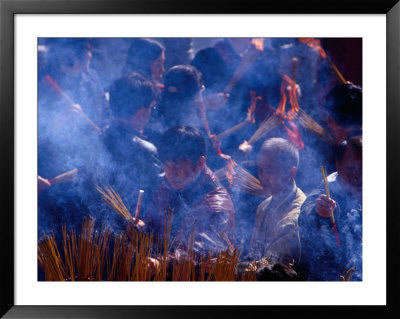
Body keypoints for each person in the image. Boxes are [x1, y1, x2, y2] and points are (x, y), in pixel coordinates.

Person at [140, 126, 235, 255]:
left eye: (177, 166)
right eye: (166, 166)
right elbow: (153, 223)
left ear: (200, 163)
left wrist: (160, 264)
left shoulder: (217, 206)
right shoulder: (169, 183)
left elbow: (199, 254)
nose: (171, 173)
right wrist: (142, 229)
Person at [298, 135, 362, 281]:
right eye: (351, 168)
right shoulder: (326, 191)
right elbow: (307, 210)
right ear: (338, 165)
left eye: (363, 168)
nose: (357, 175)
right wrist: (319, 212)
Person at [98, 73, 163, 215]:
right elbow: (161, 193)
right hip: (133, 226)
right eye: (150, 107)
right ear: (141, 112)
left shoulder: (97, 139)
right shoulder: (145, 150)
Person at [248, 137, 306, 267]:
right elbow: (254, 255)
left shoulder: (297, 216)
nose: (262, 176)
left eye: (269, 169)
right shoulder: (263, 207)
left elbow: (270, 265)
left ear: (291, 172)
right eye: (260, 169)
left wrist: (233, 267)